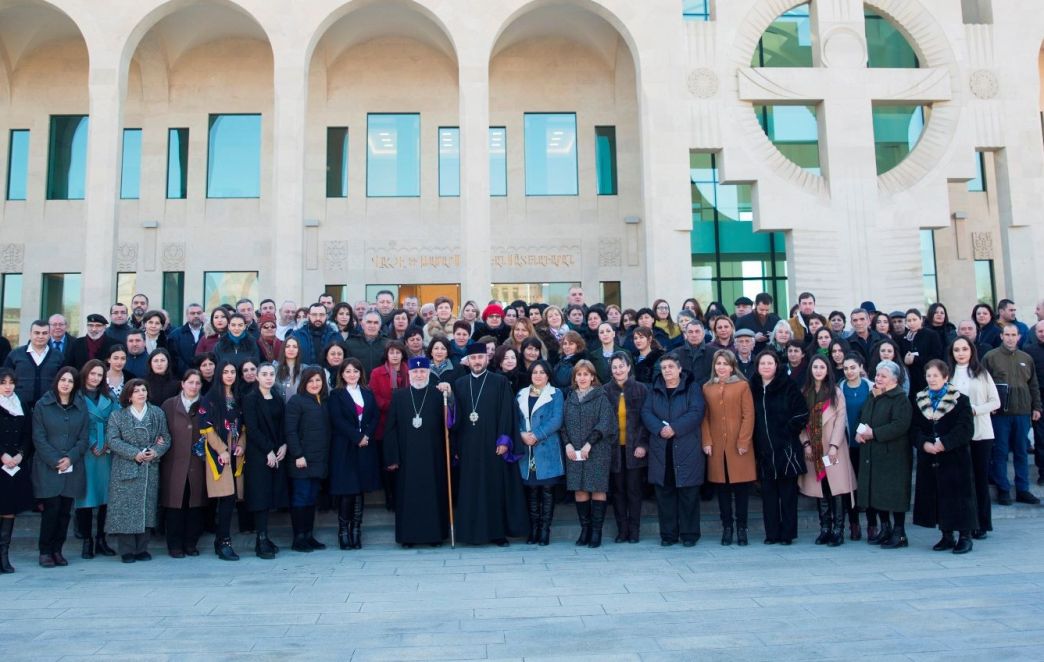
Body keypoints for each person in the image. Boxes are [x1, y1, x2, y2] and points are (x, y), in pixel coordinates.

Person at [451, 345, 527, 546]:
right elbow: (456, 417)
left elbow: (506, 412)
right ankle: (469, 534)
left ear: (486, 359)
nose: (477, 361)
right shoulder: (459, 384)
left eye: (480, 357)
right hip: (468, 446)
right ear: (468, 360)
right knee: (470, 489)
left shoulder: (499, 381)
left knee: (494, 488)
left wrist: (504, 440)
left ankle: (497, 534)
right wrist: (456, 447)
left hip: (493, 445)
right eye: (473, 357)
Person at [384, 356, 451, 547]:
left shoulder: (439, 396)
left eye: (423, 372)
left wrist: (450, 396)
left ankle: (435, 536)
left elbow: (449, 425)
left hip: (433, 456)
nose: (419, 375)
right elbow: (390, 429)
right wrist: (393, 457)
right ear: (409, 374)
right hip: (407, 457)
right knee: (408, 496)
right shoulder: (399, 396)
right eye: (416, 372)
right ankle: (408, 537)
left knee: (433, 495)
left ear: (428, 374)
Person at [641, 352, 705, 547]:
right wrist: (661, 429)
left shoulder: (692, 388)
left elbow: (696, 411)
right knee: (665, 495)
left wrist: (674, 428)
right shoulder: (654, 389)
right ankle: (668, 535)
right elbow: (646, 412)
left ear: (679, 369)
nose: (667, 371)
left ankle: (689, 535)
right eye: (664, 367)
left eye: (671, 367)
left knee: (688, 495)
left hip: (686, 448)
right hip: (662, 450)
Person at [912, 360, 976, 554]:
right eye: (928, 376)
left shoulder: (960, 400)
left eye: (935, 376)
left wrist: (945, 443)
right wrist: (924, 443)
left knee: (959, 497)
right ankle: (946, 535)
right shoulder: (920, 399)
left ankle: (965, 536)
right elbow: (914, 427)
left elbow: (965, 428)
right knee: (938, 497)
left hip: (954, 457)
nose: (931, 379)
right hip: (931, 457)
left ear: (945, 377)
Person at [103, 379, 170, 562]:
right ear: (129, 395)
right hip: (126, 466)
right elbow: (113, 440)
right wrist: (135, 454)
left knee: (146, 508)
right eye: (136, 391)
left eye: (143, 390)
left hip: (149, 466)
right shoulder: (118, 415)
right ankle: (126, 550)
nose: (141, 393)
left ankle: (142, 548)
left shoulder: (157, 413)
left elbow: (166, 437)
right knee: (125, 509)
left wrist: (155, 451)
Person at [32, 367, 89, 567]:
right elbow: (38, 438)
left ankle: (58, 550)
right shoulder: (43, 405)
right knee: (51, 511)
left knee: (65, 512)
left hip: (72, 467)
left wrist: (70, 458)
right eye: (63, 380)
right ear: (57, 381)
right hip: (49, 467)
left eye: (70, 381)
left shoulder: (81, 406)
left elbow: (84, 438)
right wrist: (56, 459)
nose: (66, 384)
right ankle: (45, 551)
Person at [749, 351, 808, 545]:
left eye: (770, 363)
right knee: (769, 496)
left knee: (788, 495)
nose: (766, 366)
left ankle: (788, 534)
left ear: (776, 365)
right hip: (764, 451)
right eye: (762, 363)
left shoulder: (788, 385)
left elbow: (802, 413)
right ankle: (772, 533)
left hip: (786, 448)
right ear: (757, 367)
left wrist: (787, 431)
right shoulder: (753, 388)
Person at [798, 355, 855, 546]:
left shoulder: (836, 392)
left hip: (833, 447)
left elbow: (840, 421)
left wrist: (834, 446)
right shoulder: (805, 392)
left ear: (827, 370)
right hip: (813, 447)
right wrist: (805, 443)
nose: (818, 370)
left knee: (836, 488)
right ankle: (825, 528)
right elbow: (800, 422)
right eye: (815, 367)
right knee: (820, 488)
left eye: (822, 367)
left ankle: (839, 529)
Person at [856, 360, 914, 549]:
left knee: (894, 494)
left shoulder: (900, 399)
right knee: (878, 493)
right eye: (877, 375)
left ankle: (899, 533)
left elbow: (900, 425)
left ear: (895, 380)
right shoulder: (874, 396)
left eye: (883, 376)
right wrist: (860, 431)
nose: (878, 379)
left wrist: (874, 433)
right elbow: (863, 416)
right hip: (873, 453)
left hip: (893, 456)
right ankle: (885, 529)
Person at [983, 324, 1042, 505]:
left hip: (1023, 413)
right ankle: (1003, 489)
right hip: (1000, 414)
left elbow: (1033, 385)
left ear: (1018, 337)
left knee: (1021, 453)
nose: (1010, 338)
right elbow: (984, 383)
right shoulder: (991, 357)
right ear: (1001, 336)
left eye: (1013, 335)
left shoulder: (1026, 358)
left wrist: (1037, 407)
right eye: (1007, 334)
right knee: (1000, 452)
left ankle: (1023, 489)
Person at [701, 350, 755, 546]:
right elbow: (704, 417)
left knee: (741, 490)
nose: (721, 367)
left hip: (738, 446)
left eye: (725, 364)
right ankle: (727, 527)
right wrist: (706, 441)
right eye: (718, 363)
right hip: (717, 447)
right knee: (722, 490)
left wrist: (743, 441)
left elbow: (748, 415)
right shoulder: (707, 388)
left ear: (732, 366)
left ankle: (742, 528)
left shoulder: (742, 386)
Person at [561, 360, 616, 549]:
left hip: (597, 449)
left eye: (586, 374)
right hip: (574, 450)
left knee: (597, 488)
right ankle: (585, 529)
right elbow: (563, 424)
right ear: (575, 378)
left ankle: (596, 532)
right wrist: (567, 444)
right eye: (579, 374)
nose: (582, 378)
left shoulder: (601, 397)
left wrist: (589, 444)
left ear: (593, 377)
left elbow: (606, 423)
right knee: (580, 488)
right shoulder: (569, 398)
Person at [948, 337, 1000, 538]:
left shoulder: (981, 373)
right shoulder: (949, 375)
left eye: (964, 349)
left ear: (971, 351)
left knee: (979, 480)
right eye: (956, 350)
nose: (960, 353)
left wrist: (976, 410)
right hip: (957, 434)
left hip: (981, 432)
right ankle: (965, 522)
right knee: (962, 481)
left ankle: (983, 523)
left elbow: (995, 401)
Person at [328, 359, 380, 550]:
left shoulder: (367, 392)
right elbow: (337, 419)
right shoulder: (336, 395)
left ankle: (356, 530)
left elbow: (374, 416)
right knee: (347, 490)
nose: (352, 374)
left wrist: (365, 435)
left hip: (365, 447)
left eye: (355, 371)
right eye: (348, 371)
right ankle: (343, 531)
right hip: (345, 447)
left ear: (360, 373)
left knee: (359, 490)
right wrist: (356, 437)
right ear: (342, 374)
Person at [199, 362, 246, 561]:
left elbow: (244, 426)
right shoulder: (210, 398)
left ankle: (223, 539)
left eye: (232, 372)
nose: (229, 375)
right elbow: (206, 428)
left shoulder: (238, 397)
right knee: (226, 497)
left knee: (233, 497)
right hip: (220, 450)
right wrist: (222, 449)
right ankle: (223, 541)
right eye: (225, 371)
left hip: (237, 449)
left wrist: (241, 444)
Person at [516, 360, 565, 546]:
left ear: (548, 375)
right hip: (527, 449)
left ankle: (545, 531)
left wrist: (536, 435)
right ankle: (533, 530)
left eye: (542, 372)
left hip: (547, 448)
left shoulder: (555, 394)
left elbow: (556, 419)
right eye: (535, 372)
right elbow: (517, 418)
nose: (538, 375)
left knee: (547, 491)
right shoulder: (521, 394)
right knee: (531, 491)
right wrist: (522, 434)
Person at [602, 352, 649, 543]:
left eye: (621, 366)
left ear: (629, 367)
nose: (618, 370)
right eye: (614, 367)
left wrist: (643, 444)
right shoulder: (605, 390)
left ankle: (635, 531)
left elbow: (647, 419)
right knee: (618, 491)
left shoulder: (641, 389)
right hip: (614, 450)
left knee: (634, 491)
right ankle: (622, 530)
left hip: (635, 449)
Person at [241, 363, 287, 559]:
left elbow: (283, 423)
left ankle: (266, 537)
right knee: (260, 496)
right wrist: (267, 449)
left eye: (271, 374)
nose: (268, 377)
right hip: (259, 454)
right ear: (257, 377)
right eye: (264, 374)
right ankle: (261, 540)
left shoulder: (277, 397)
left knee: (270, 495)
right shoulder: (251, 399)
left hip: (277, 451)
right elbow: (252, 428)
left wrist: (283, 445)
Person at [160, 370, 207, 558]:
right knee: (174, 506)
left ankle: (191, 543)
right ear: (183, 384)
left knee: (195, 504)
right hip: (174, 463)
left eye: (197, 383)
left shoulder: (206, 404)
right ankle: (174, 545)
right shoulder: (169, 405)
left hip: (198, 462)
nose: (194, 386)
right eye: (190, 382)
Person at [73, 360, 118, 559]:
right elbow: (74, 424)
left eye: (100, 375)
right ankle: (86, 540)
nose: (95, 378)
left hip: (106, 452)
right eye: (92, 373)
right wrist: (92, 442)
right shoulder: (77, 397)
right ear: (85, 374)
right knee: (85, 497)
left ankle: (101, 538)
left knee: (104, 498)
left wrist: (107, 442)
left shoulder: (110, 397)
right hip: (85, 451)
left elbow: (117, 420)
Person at [284, 366, 330, 552]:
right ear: (304, 383)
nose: (315, 384)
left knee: (311, 498)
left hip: (319, 459)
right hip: (302, 459)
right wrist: (298, 454)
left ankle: (309, 535)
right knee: (301, 497)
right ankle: (299, 538)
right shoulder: (296, 401)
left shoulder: (324, 402)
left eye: (318, 380)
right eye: (310, 381)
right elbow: (290, 431)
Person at [369, 341, 408, 512]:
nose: (394, 355)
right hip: (384, 423)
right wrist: (393, 407)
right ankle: (390, 496)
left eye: (398, 352)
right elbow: (374, 396)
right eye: (391, 352)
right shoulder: (377, 373)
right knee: (388, 462)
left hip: (406, 423)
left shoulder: (409, 370)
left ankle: (403, 495)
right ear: (386, 354)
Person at [0, 368, 32, 572]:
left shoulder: (21, 404)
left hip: (15, 465)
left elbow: (28, 435)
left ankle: (4, 556)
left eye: (11, 382)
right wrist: (2, 455)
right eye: (3, 382)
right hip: (1, 461)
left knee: (9, 510)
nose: (8, 386)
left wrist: (21, 455)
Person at [840, 353, 871, 540]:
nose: (849, 371)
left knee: (867, 484)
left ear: (860, 367)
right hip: (847, 443)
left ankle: (872, 523)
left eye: (853, 367)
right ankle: (853, 524)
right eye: (846, 368)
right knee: (849, 485)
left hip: (867, 443)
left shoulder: (871, 387)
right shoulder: (840, 388)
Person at [3, 319, 64, 410]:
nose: (40, 336)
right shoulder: (15, 354)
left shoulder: (58, 356)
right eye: (37, 333)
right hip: (18, 407)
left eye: (44, 333)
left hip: (50, 407)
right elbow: (4, 379)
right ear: (30, 334)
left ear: (49, 335)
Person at [901, 309, 943, 398]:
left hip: (926, 377)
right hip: (910, 379)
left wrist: (915, 359)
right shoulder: (903, 337)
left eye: (914, 320)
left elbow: (937, 356)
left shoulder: (931, 335)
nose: (912, 323)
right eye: (909, 320)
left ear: (921, 320)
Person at [346, 311, 389, 377]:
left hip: (381, 384)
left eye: (376, 323)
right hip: (358, 384)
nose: (372, 326)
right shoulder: (350, 343)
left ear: (380, 326)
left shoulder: (388, 344)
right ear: (362, 325)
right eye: (369, 322)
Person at [166, 304, 205, 376]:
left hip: (205, 377)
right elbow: (174, 358)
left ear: (203, 315)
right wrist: (189, 374)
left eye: (199, 313)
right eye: (192, 313)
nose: (196, 316)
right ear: (187, 315)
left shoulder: (209, 334)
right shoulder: (175, 335)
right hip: (182, 377)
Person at [675, 319, 713, 387]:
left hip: (708, 392)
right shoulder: (675, 354)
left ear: (703, 333)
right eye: (690, 332)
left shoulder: (714, 353)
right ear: (686, 334)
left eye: (697, 331)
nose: (694, 335)